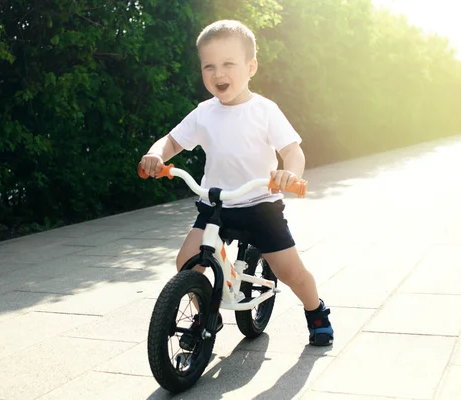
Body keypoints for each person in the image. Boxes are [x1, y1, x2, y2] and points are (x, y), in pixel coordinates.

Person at [139, 19, 334, 347]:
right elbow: (171, 142)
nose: (218, 74)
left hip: (260, 205)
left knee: (289, 272)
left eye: (229, 64)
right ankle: (207, 315)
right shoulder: (204, 113)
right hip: (216, 204)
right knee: (187, 261)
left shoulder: (264, 111)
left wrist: (290, 174)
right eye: (209, 66)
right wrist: (155, 154)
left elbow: (291, 150)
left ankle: (316, 311)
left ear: (251, 67)